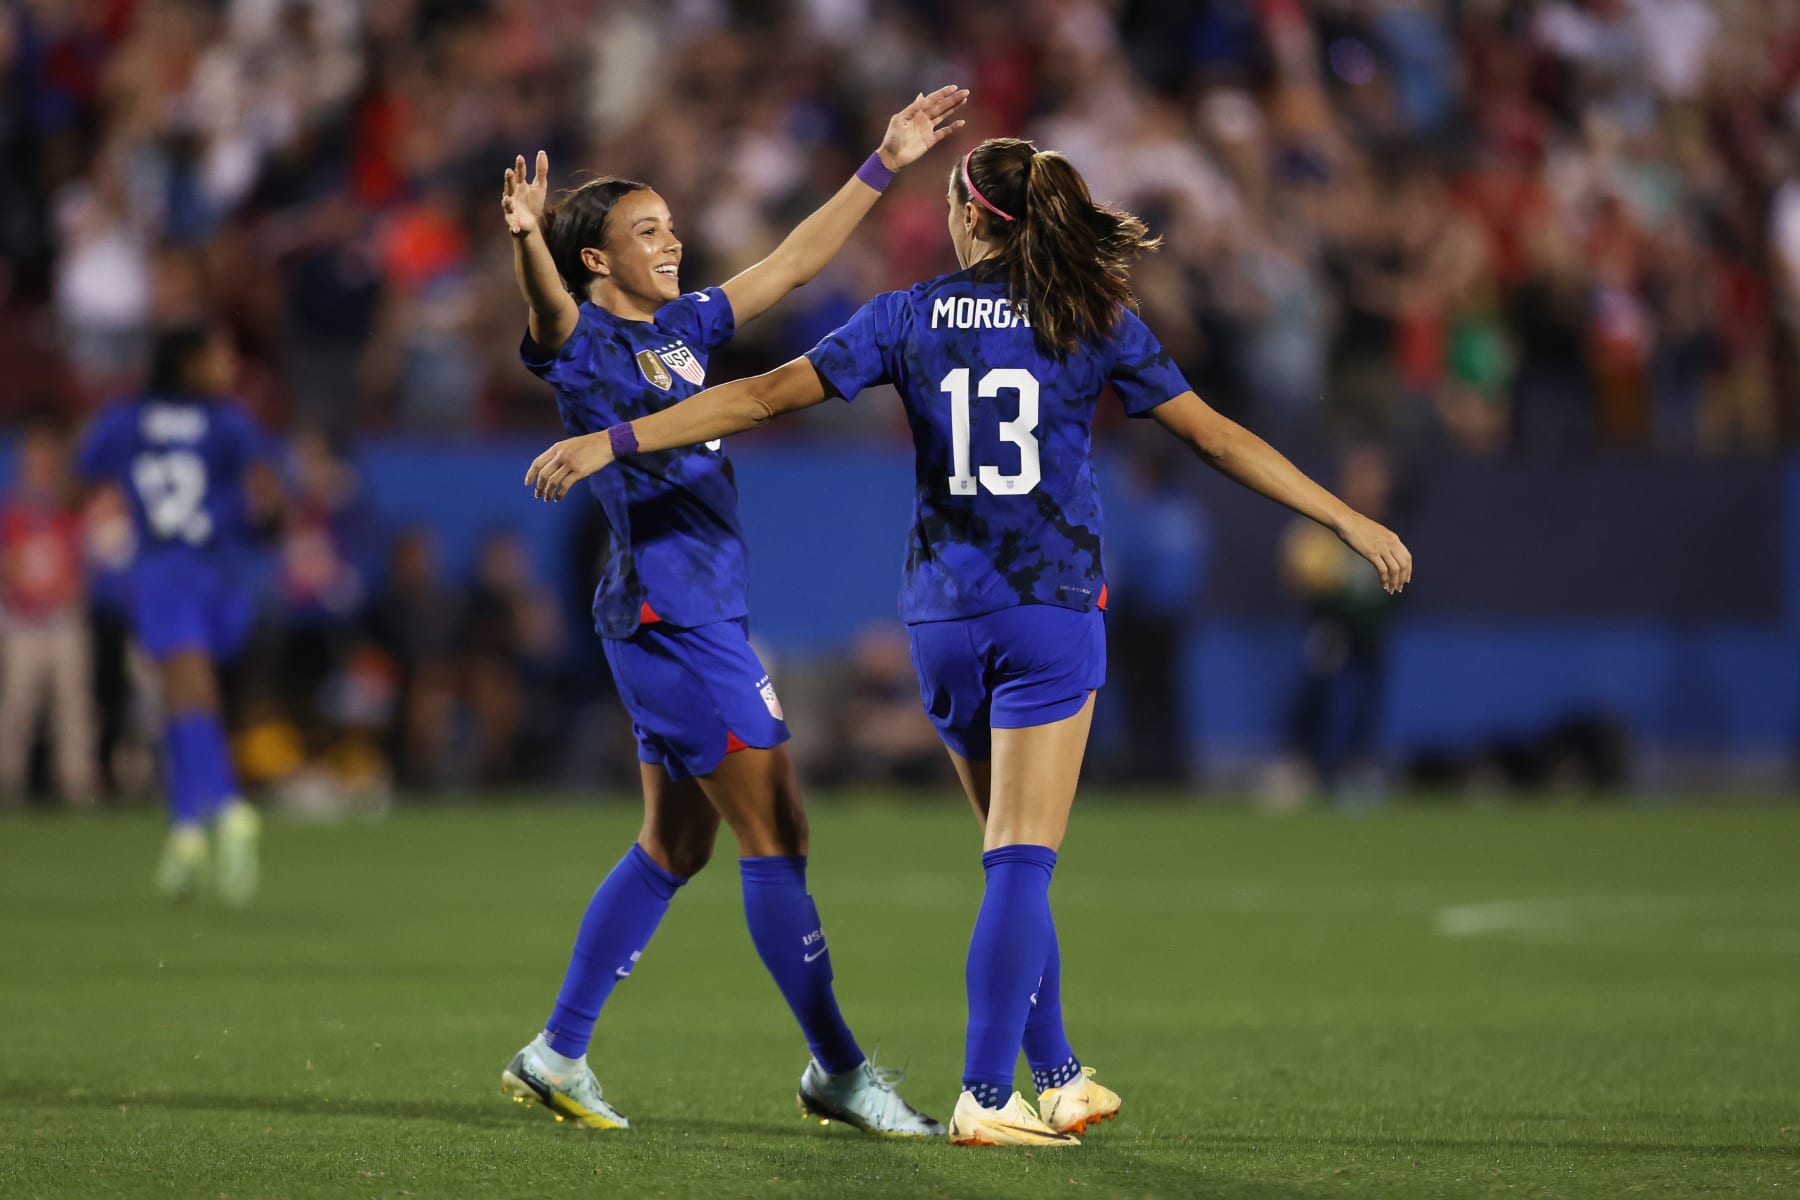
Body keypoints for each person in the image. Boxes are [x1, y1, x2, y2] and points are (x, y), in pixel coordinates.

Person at [525, 136, 1413, 1146]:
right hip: (1048, 609)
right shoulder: (1091, 315)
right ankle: (988, 1094)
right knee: (1022, 865)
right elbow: (1215, 436)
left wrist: (620, 435)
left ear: (965, 216)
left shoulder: (908, 314)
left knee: (1005, 853)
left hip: (943, 617)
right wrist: (1344, 517)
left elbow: (766, 392)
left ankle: (1062, 1073)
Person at [495, 86, 969, 1136]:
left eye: (670, 227)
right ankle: (839, 1069)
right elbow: (544, 312)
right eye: (645, 233)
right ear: (594, 261)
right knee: (779, 829)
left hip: (691, 611)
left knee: (676, 847)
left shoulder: (685, 328)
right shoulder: (583, 347)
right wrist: (530, 239)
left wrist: (885, 160)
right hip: (673, 619)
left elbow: (797, 260)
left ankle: (557, 1051)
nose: (670, 244)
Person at [76, 325, 281, 904]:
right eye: (219, 354)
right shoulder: (229, 422)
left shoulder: (124, 419)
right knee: (182, 695)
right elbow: (269, 500)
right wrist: (264, 526)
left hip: (165, 571)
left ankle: (227, 806)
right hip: (223, 575)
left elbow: (79, 476)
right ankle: (186, 834)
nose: (229, 363)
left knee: (187, 693)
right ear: (188, 363)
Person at [0, 422, 98, 808]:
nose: (40, 462)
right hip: (24, 621)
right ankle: (8, 782)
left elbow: (81, 565)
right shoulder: (13, 513)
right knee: (17, 706)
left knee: (74, 707)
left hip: (62, 621)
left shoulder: (67, 510)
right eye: (34, 455)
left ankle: (77, 785)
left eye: (47, 455)